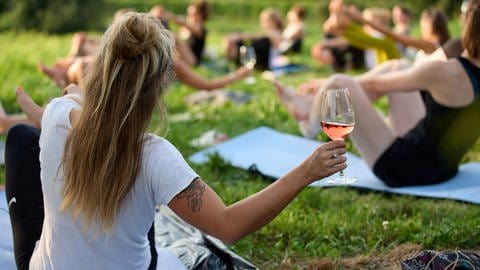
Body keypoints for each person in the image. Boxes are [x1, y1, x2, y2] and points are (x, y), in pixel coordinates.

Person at [6, 12, 347, 269]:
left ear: (101, 68)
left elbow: (68, 110)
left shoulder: (56, 115)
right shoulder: (155, 156)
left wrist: (70, 98)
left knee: (23, 137)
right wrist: (306, 172)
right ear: (160, 84)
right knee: (147, 199)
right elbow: (229, 226)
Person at [274, 0, 480, 187]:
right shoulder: (454, 71)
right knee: (398, 66)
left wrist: (321, 85)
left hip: (400, 169)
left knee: (337, 83)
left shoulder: (444, 71)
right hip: (444, 170)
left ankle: (308, 125)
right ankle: (311, 105)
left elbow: (375, 85)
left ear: (468, 22)